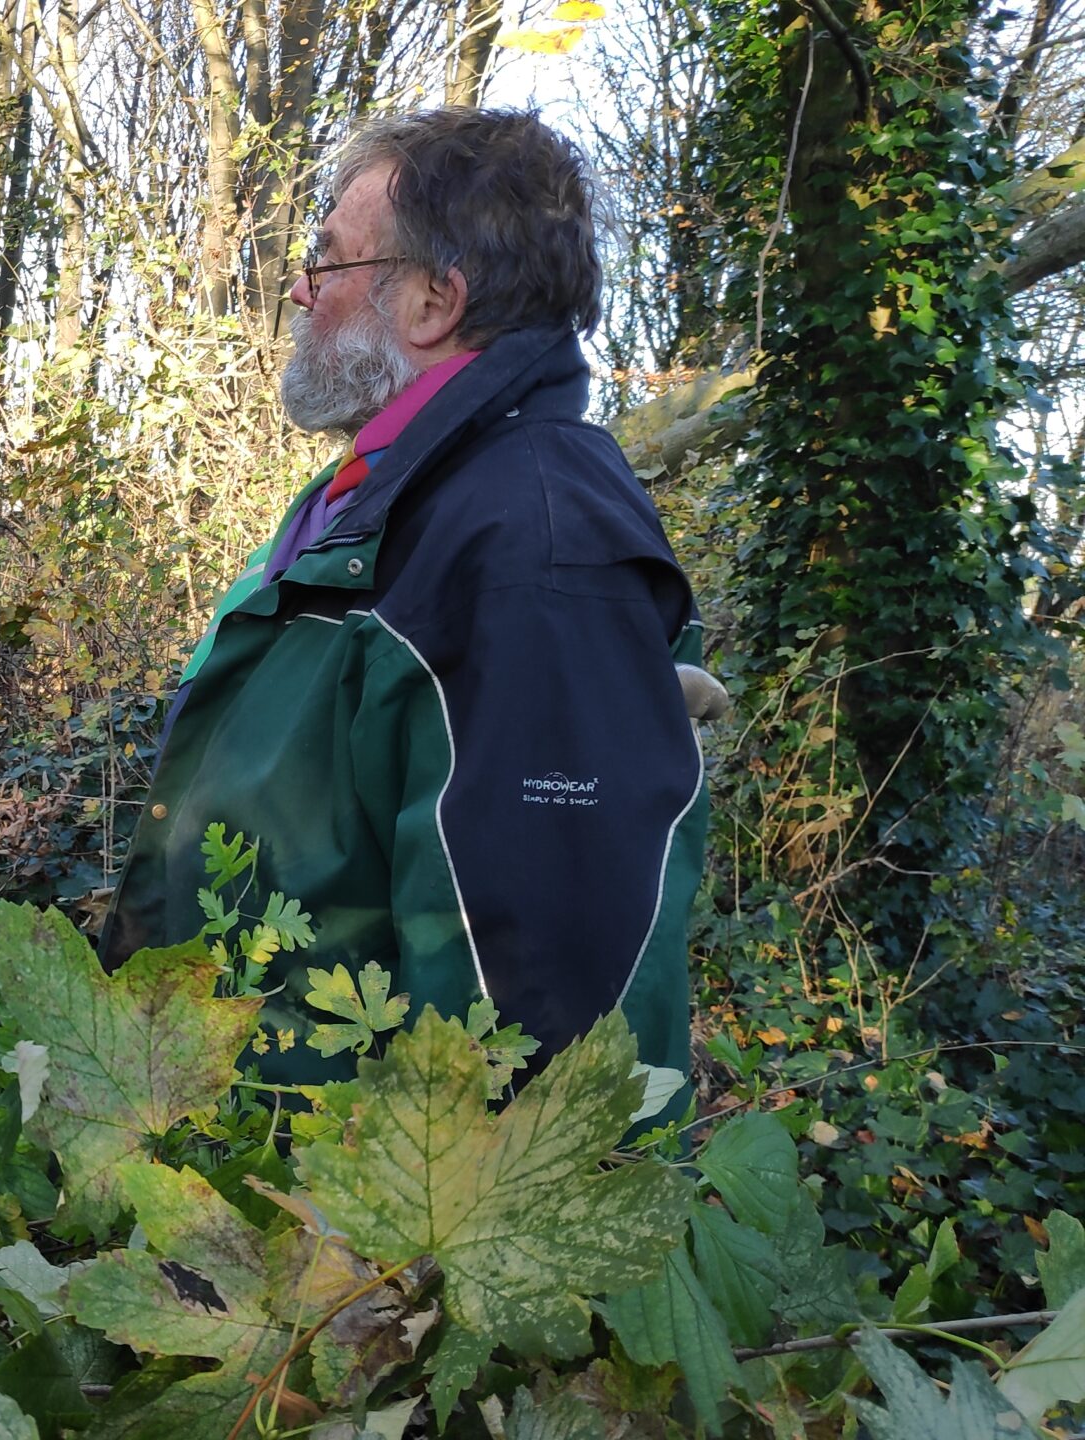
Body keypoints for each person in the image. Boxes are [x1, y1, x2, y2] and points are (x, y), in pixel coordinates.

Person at [100, 108, 710, 1096]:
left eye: (329, 261)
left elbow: (538, 1012)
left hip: (336, 1213)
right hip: (231, 1155)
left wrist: (410, 1238)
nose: (298, 289)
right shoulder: (375, 499)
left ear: (433, 301)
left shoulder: (537, 549)